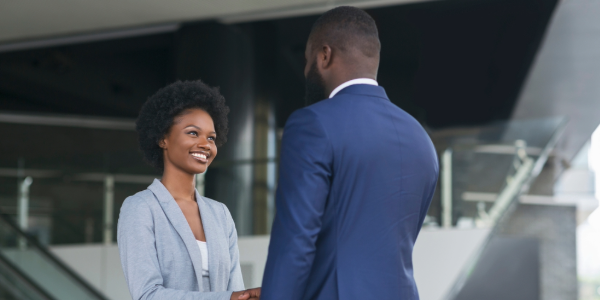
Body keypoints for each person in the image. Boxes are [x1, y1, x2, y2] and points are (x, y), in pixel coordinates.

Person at [261, 6, 439, 300]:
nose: (307, 71)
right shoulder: (421, 139)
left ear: (324, 55)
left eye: (308, 61)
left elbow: (295, 243)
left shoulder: (312, 123)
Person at [117, 80, 260, 300]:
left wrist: (247, 296)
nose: (206, 144)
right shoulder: (140, 208)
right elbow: (147, 295)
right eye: (193, 133)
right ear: (163, 138)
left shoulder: (220, 214)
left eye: (211, 138)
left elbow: (234, 290)